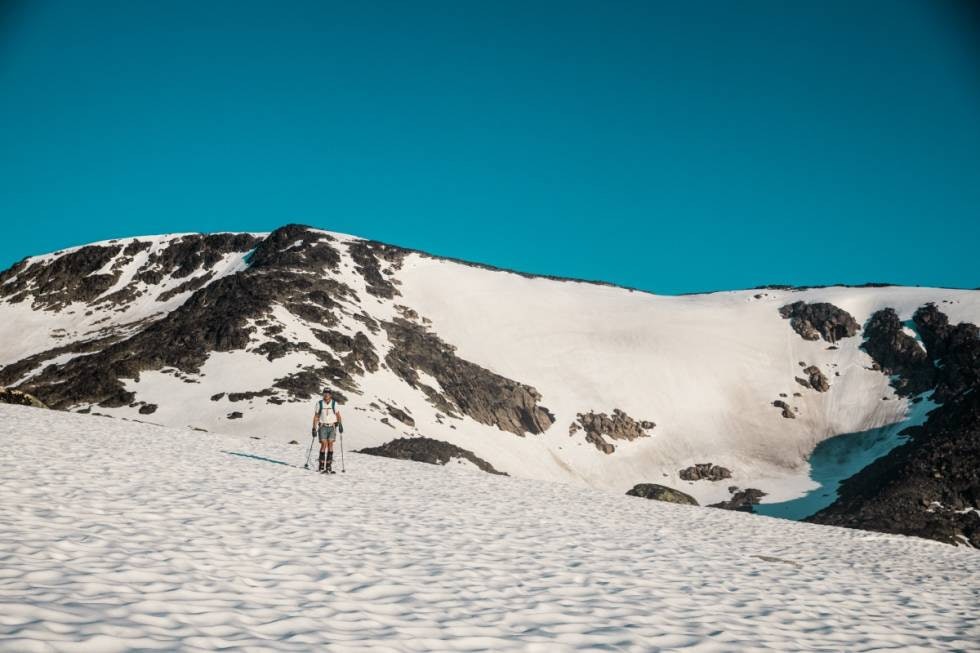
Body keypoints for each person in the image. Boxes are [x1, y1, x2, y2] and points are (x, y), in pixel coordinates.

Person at [312, 388, 343, 473]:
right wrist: (314, 428)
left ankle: (329, 466)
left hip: (332, 426)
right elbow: (316, 417)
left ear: (330, 395)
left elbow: (338, 415)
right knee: (323, 445)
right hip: (322, 426)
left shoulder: (334, 404)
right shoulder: (319, 404)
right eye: (325, 393)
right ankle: (321, 466)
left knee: (330, 445)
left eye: (328, 393)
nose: (326, 395)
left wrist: (340, 425)